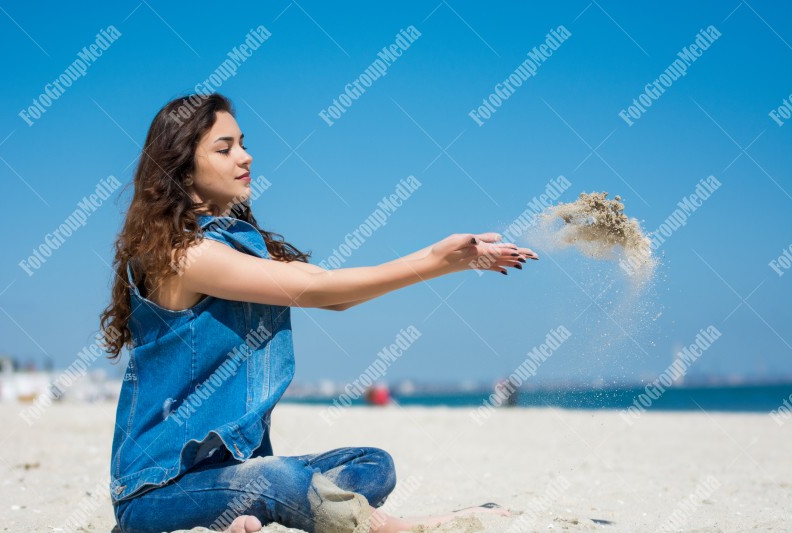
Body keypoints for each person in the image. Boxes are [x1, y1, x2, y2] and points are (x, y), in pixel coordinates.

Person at [99, 92, 538, 533]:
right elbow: (324, 291)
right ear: (181, 165)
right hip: (158, 491)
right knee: (275, 478)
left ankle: (241, 521)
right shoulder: (185, 256)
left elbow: (337, 294)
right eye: (224, 148)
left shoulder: (235, 246)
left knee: (372, 465)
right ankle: (399, 527)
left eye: (243, 143)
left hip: (232, 477)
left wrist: (449, 261)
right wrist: (440, 259)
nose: (246, 157)